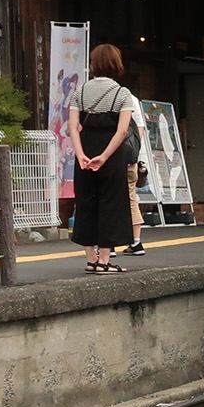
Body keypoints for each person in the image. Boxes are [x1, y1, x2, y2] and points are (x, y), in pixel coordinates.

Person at [66, 43, 139, 273]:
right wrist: (104, 157)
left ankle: (90, 259)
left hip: (85, 149)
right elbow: (122, 130)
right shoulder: (122, 94)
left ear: (93, 64)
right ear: (116, 64)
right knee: (111, 203)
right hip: (111, 153)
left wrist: (81, 155)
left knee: (85, 202)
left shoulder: (80, 91)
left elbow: (72, 126)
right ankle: (104, 261)